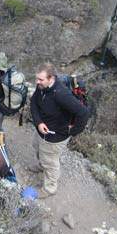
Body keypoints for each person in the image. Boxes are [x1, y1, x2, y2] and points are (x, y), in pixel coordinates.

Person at [29, 62, 90, 198]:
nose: (37, 82)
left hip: (55, 137)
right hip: (43, 131)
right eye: (36, 78)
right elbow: (33, 103)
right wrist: (39, 123)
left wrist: (72, 131)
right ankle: (41, 165)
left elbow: (83, 113)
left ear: (51, 79)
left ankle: (49, 188)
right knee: (37, 148)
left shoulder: (61, 94)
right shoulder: (42, 87)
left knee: (50, 162)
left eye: (40, 79)